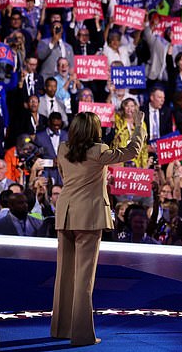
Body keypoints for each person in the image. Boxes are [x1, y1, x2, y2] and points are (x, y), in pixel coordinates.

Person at [51, 111, 146, 345]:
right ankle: (82, 336)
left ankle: (62, 329)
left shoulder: (63, 148)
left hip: (66, 214)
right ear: (94, 130)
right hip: (89, 218)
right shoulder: (99, 151)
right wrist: (138, 127)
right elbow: (132, 151)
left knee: (64, 275)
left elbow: (66, 176)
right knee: (84, 279)